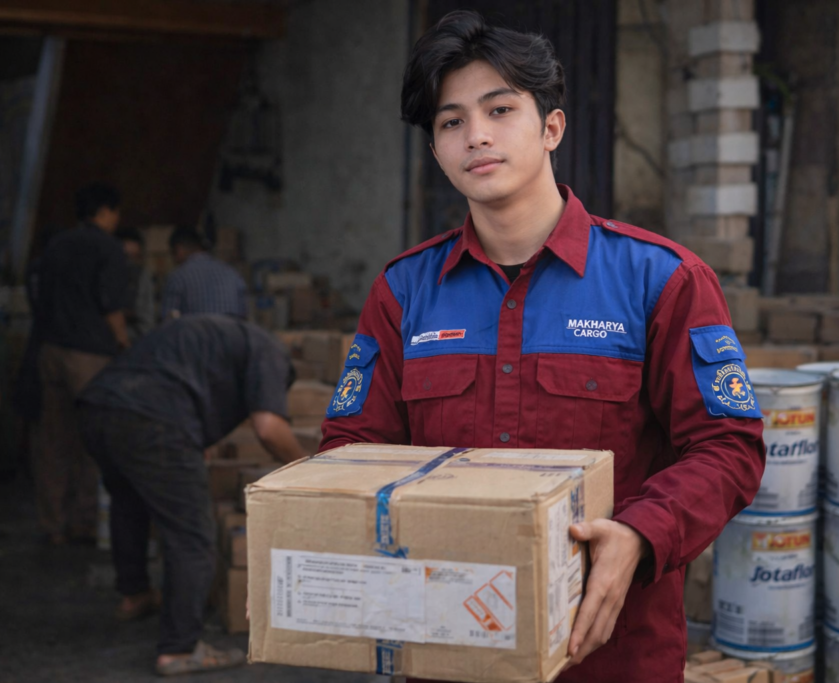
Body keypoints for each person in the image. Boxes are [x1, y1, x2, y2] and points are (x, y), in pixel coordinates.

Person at [319, 12, 765, 682]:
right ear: (437, 151)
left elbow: (729, 446)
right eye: (451, 122)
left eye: (499, 110)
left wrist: (641, 533)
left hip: (610, 655)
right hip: (450, 649)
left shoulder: (662, 280)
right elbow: (351, 451)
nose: (476, 135)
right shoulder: (403, 292)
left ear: (551, 127)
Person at [77, 315, 305, 676]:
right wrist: (308, 470)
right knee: (192, 535)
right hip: (153, 419)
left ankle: (135, 594)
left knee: (129, 503)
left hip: (97, 408)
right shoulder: (271, 354)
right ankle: (180, 648)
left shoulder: (218, 337)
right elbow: (269, 428)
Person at [35, 183, 129, 545]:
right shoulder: (108, 248)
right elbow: (110, 305)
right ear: (105, 211)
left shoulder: (56, 244)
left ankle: (52, 523)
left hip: (51, 351)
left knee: (53, 441)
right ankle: (84, 520)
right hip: (89, 356)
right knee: (92, 442)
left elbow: (41, 297)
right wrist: (124, 343)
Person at [159, 228, 247, 321]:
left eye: (173, 254)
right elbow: (243, 316)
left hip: (193, 330)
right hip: (229, 330)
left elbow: (169, 320)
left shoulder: (177, 277)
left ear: (179, 249)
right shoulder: (233, 274)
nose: (174, 260)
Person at [115, 228, 155, 342]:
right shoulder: (108, 278)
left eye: (135, 257)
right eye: (126, 257)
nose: (130, 264)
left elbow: (148, 318)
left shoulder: (143, 277)